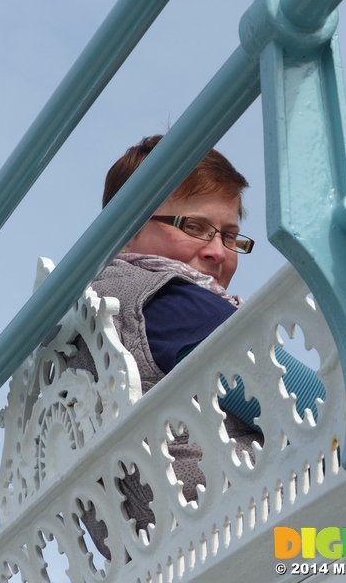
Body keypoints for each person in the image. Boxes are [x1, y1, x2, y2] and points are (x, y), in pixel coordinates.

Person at [76, 134, 325, 557]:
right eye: (193, 226)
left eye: (230, 236)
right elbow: (308, 401)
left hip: (146, 541)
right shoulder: (171, 299)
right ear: (124, 228)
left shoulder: (90, 312)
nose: (216, 251)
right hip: (240, 517)